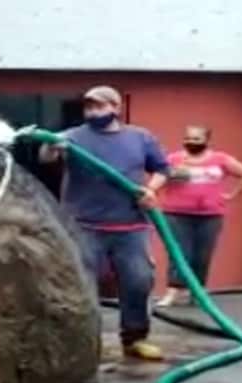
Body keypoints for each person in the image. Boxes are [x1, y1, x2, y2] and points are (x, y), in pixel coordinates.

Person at [39, 85, 170, 361]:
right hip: (84, 225)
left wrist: (151, 190)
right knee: (83, 283)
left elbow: (161, 168)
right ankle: (83, 342)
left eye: (100, 106)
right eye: (89, 107)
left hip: (131, 225)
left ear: (116, 108)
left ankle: (134, 339)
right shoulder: (71, 137)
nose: (93, 112)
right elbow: (46, 158)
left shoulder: (140, 138)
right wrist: (50, 147)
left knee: (138, 281)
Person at [156, 126, 242, 307]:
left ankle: (197, 293)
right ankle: (172, 293)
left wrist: (231, 195)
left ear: (207, 141)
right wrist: (159, 186)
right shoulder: (174, 159)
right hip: (176, 214)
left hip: (210, 216)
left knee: (202, 255)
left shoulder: (220, 159)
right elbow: (160, 179)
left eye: (196, 139)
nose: (191, 142)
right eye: (188, 138)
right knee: (178, 252)